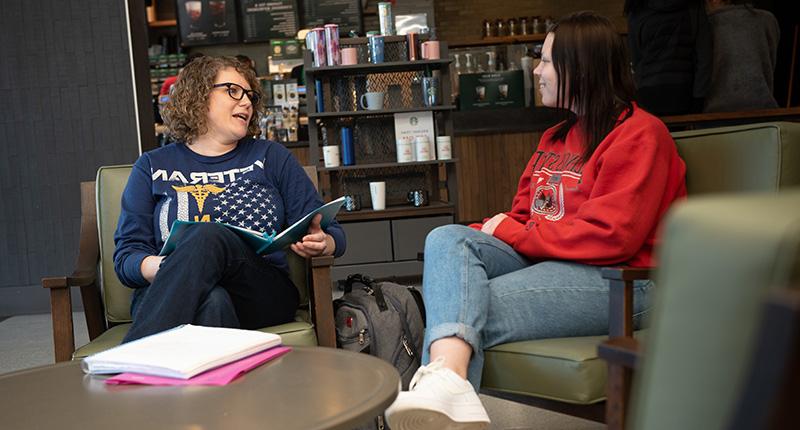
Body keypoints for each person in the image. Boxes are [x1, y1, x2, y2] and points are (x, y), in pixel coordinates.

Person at [385, 11, 687, 430]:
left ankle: (441, 395)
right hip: (554, 265)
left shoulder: (640, 134)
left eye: (545, 60)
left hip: (624, 282)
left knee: (461, 312)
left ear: (579, 68)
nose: (537, 71)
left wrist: (508, 231)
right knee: (446, 239)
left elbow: (611, 237)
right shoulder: (555, 138)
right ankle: (449, 390)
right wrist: (485, 236)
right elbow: (525, 217)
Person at [114, 56, 346, 343]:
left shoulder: (270, 157)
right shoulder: (151, 165)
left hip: (260, 293)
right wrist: (178, 267)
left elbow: (333, 232)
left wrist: (325, 242)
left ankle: (133, 358)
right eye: (233, 91)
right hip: (172, 292)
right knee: (213, 301)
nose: (247, 102)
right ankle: (218, 386)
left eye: (250, 95)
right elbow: (126, 259)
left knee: (207, 233)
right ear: (198, 95)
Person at [625, 0, 712, 115]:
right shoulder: (693, 7)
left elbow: (635, 59)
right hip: (684, 92)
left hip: (648, 93)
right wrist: (699, 98)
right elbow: (704, 57)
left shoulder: (637, 8)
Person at [703, 0, 780, 112]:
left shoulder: (708, 23)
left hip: (715, 112)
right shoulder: (768, 20)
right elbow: (771, 64)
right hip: (763, 109)